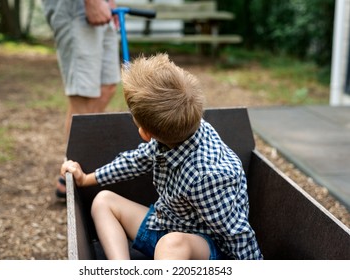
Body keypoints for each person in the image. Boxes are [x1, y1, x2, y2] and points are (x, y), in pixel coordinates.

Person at [61, 54, 263, 260]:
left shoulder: (207, 177)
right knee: (103, 201)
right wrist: (86, 178)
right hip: (166, 223)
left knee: (172, 244)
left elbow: (237, 234)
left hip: (202, 251)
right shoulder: (179, 131)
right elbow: (136, 160)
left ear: (145, 133)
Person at [42, 0, 121, 198]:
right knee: (83, 95)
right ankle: (71, 176)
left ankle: (84, 164)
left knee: (107, 86)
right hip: (76, 8)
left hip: (102, 6)